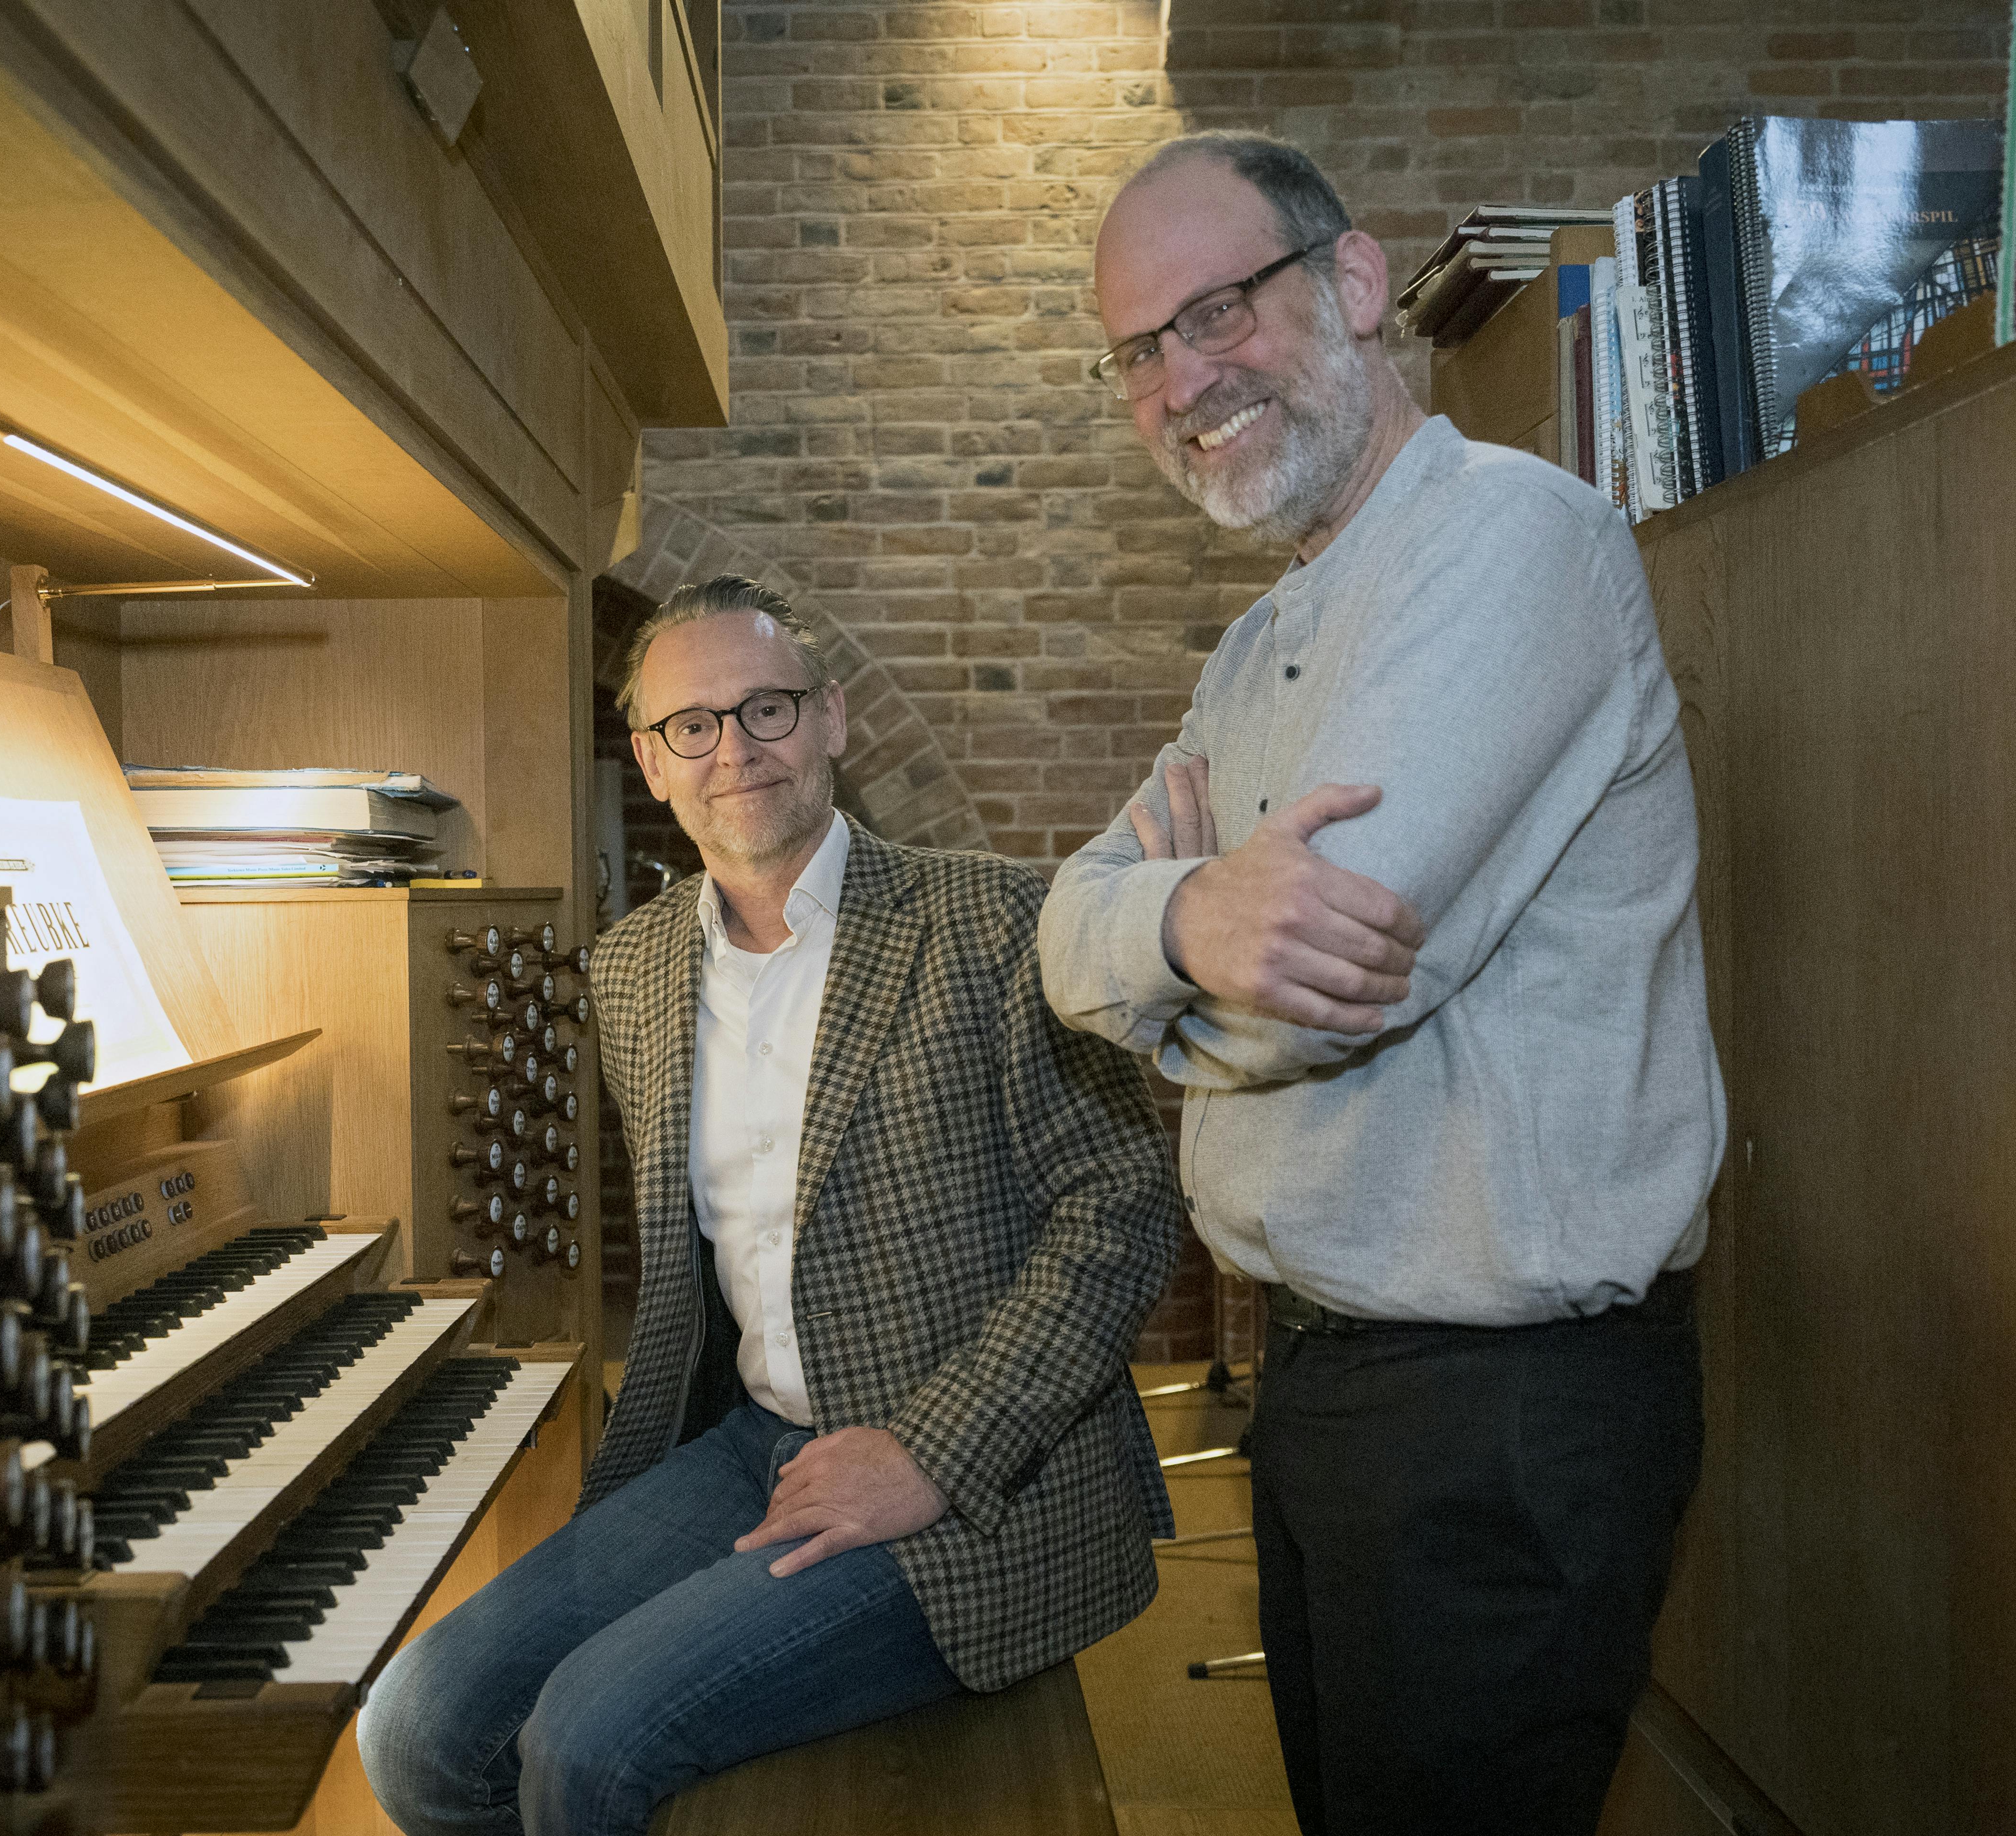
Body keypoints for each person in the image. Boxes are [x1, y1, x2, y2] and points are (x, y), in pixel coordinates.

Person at [1036, 132, 1726, 1835]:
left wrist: (1166, 949)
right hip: (1331, 1377)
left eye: (1217, 312)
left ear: (1351, 287)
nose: (1184, 380)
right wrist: (1194, 924)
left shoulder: (1516, 543)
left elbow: (1327, 985)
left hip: (1499, 1413)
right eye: (1141, 352)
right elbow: (1061, 935)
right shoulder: (1255, 641)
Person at [360, 575, 1183, 1836]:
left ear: (834, 719)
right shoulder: (632, 968)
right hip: (760, 1444)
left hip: (975, 1474)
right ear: (648, 760)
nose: (735, 750)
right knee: (417, 1724)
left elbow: (1121, 1207)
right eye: (693, 724)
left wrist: (929, 1450)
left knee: (584, 1741)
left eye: (769, 709)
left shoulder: (998, 921)